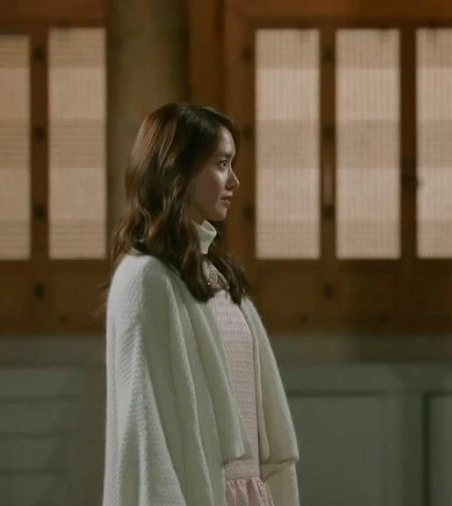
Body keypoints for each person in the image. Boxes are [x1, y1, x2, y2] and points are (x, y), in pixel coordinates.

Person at [103, 103, 300, 506]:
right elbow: (146, 432)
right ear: (178, 169)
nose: (235, 180)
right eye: (222, 164)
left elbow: (264, 424)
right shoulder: (146, 278)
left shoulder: (216, 274)